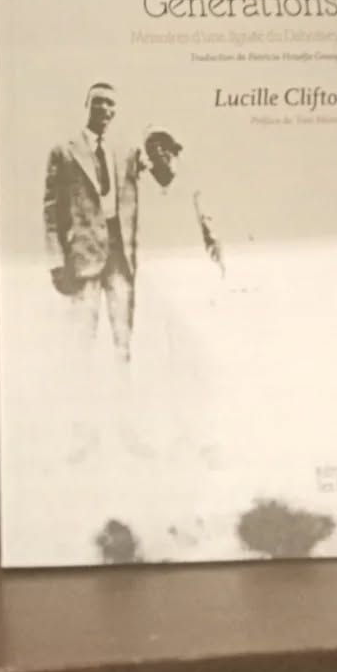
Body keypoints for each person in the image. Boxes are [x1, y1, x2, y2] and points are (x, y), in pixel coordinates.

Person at [130, 128, 224, 460]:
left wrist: (215, 253)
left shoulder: (191, 184)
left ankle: (203, 436)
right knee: (154, 358)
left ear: (174, 152)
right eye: (151, 149)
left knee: (194, 357)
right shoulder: (138, 186)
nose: (159, 153)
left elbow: (208, 225)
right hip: (152, 278)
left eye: (164, 148)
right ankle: (157, 437)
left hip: (189, 277)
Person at [43, 82, 140, 364]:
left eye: (111, 103)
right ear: (87, 104)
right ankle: (81, 388)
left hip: (120, 257)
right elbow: (51, 210)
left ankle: (124, 387)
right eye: (99, 101)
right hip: (83, 256)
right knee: (82, 338)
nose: (105, 108)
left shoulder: (125, 152)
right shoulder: (64, 151)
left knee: (123, 340)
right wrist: (55, 260)